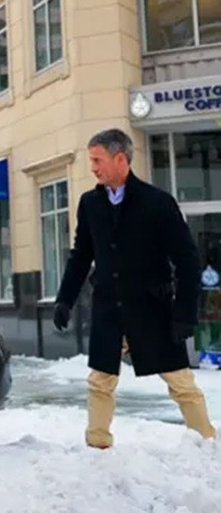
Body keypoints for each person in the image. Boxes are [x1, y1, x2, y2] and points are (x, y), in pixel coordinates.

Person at [53, 129, 216, 448]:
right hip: (108, 308)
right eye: (91, 161)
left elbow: (187, 261)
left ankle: (207, 442)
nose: (94, 168)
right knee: (100, 381)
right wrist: (64, 300)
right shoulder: (90, 203)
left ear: (120, 159)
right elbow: (81, 255)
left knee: (180, 381)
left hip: (151, 307)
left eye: (98, 160)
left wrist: (184, 313)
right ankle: (97, 445)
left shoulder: (158, 203)